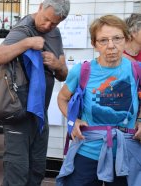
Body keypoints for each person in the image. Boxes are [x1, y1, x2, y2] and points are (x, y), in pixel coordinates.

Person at [0, 0, 70, 186]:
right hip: (19, 113)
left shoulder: (54, 34)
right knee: (17, 172)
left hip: (40, 115)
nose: (48, 26)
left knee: (37, 170)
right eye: (46, 19)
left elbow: (63, 75)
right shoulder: (24, 29)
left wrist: (57, 65)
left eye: (54, 23)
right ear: (40, 7)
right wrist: (26, 44)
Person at [56, 15, 141, 185]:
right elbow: (62, 98)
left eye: (117, 38)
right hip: (88, 150)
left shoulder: (136, 70)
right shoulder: (82, 70)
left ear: (126, 39)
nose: (111, 46)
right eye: (103, 40)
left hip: (125, 152)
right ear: (95, 45)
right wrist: (73, 120)